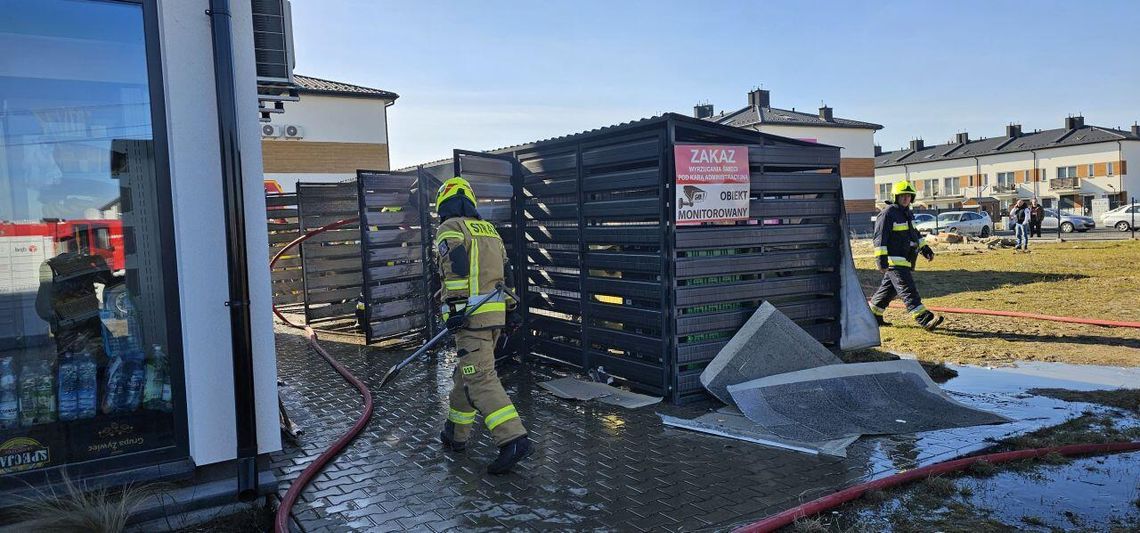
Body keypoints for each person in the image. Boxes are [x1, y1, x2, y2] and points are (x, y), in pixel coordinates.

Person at [433, 176, 530, 475]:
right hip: (494, 316)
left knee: (481, 378)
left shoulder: (449, 229)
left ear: (444, 202)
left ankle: (513, 439)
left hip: (471, 319)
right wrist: (512, 311)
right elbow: (507, 273)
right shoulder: (490, 231)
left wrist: (456, 309)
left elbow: (456, 268)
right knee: (466, 375)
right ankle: (456, 435)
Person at [868, 180, 944, 331]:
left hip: (905, 259)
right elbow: (880, 238)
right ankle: (924, 319)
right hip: (894, 261)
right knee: (907, 289)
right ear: (895, 196)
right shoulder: (888, 213)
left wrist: (925, 249)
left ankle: (872, 315)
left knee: (888, 290)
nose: (905, 198)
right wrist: (881, 261)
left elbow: (914, 234)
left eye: (908, 196)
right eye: (902, 196)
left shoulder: (907, 213)